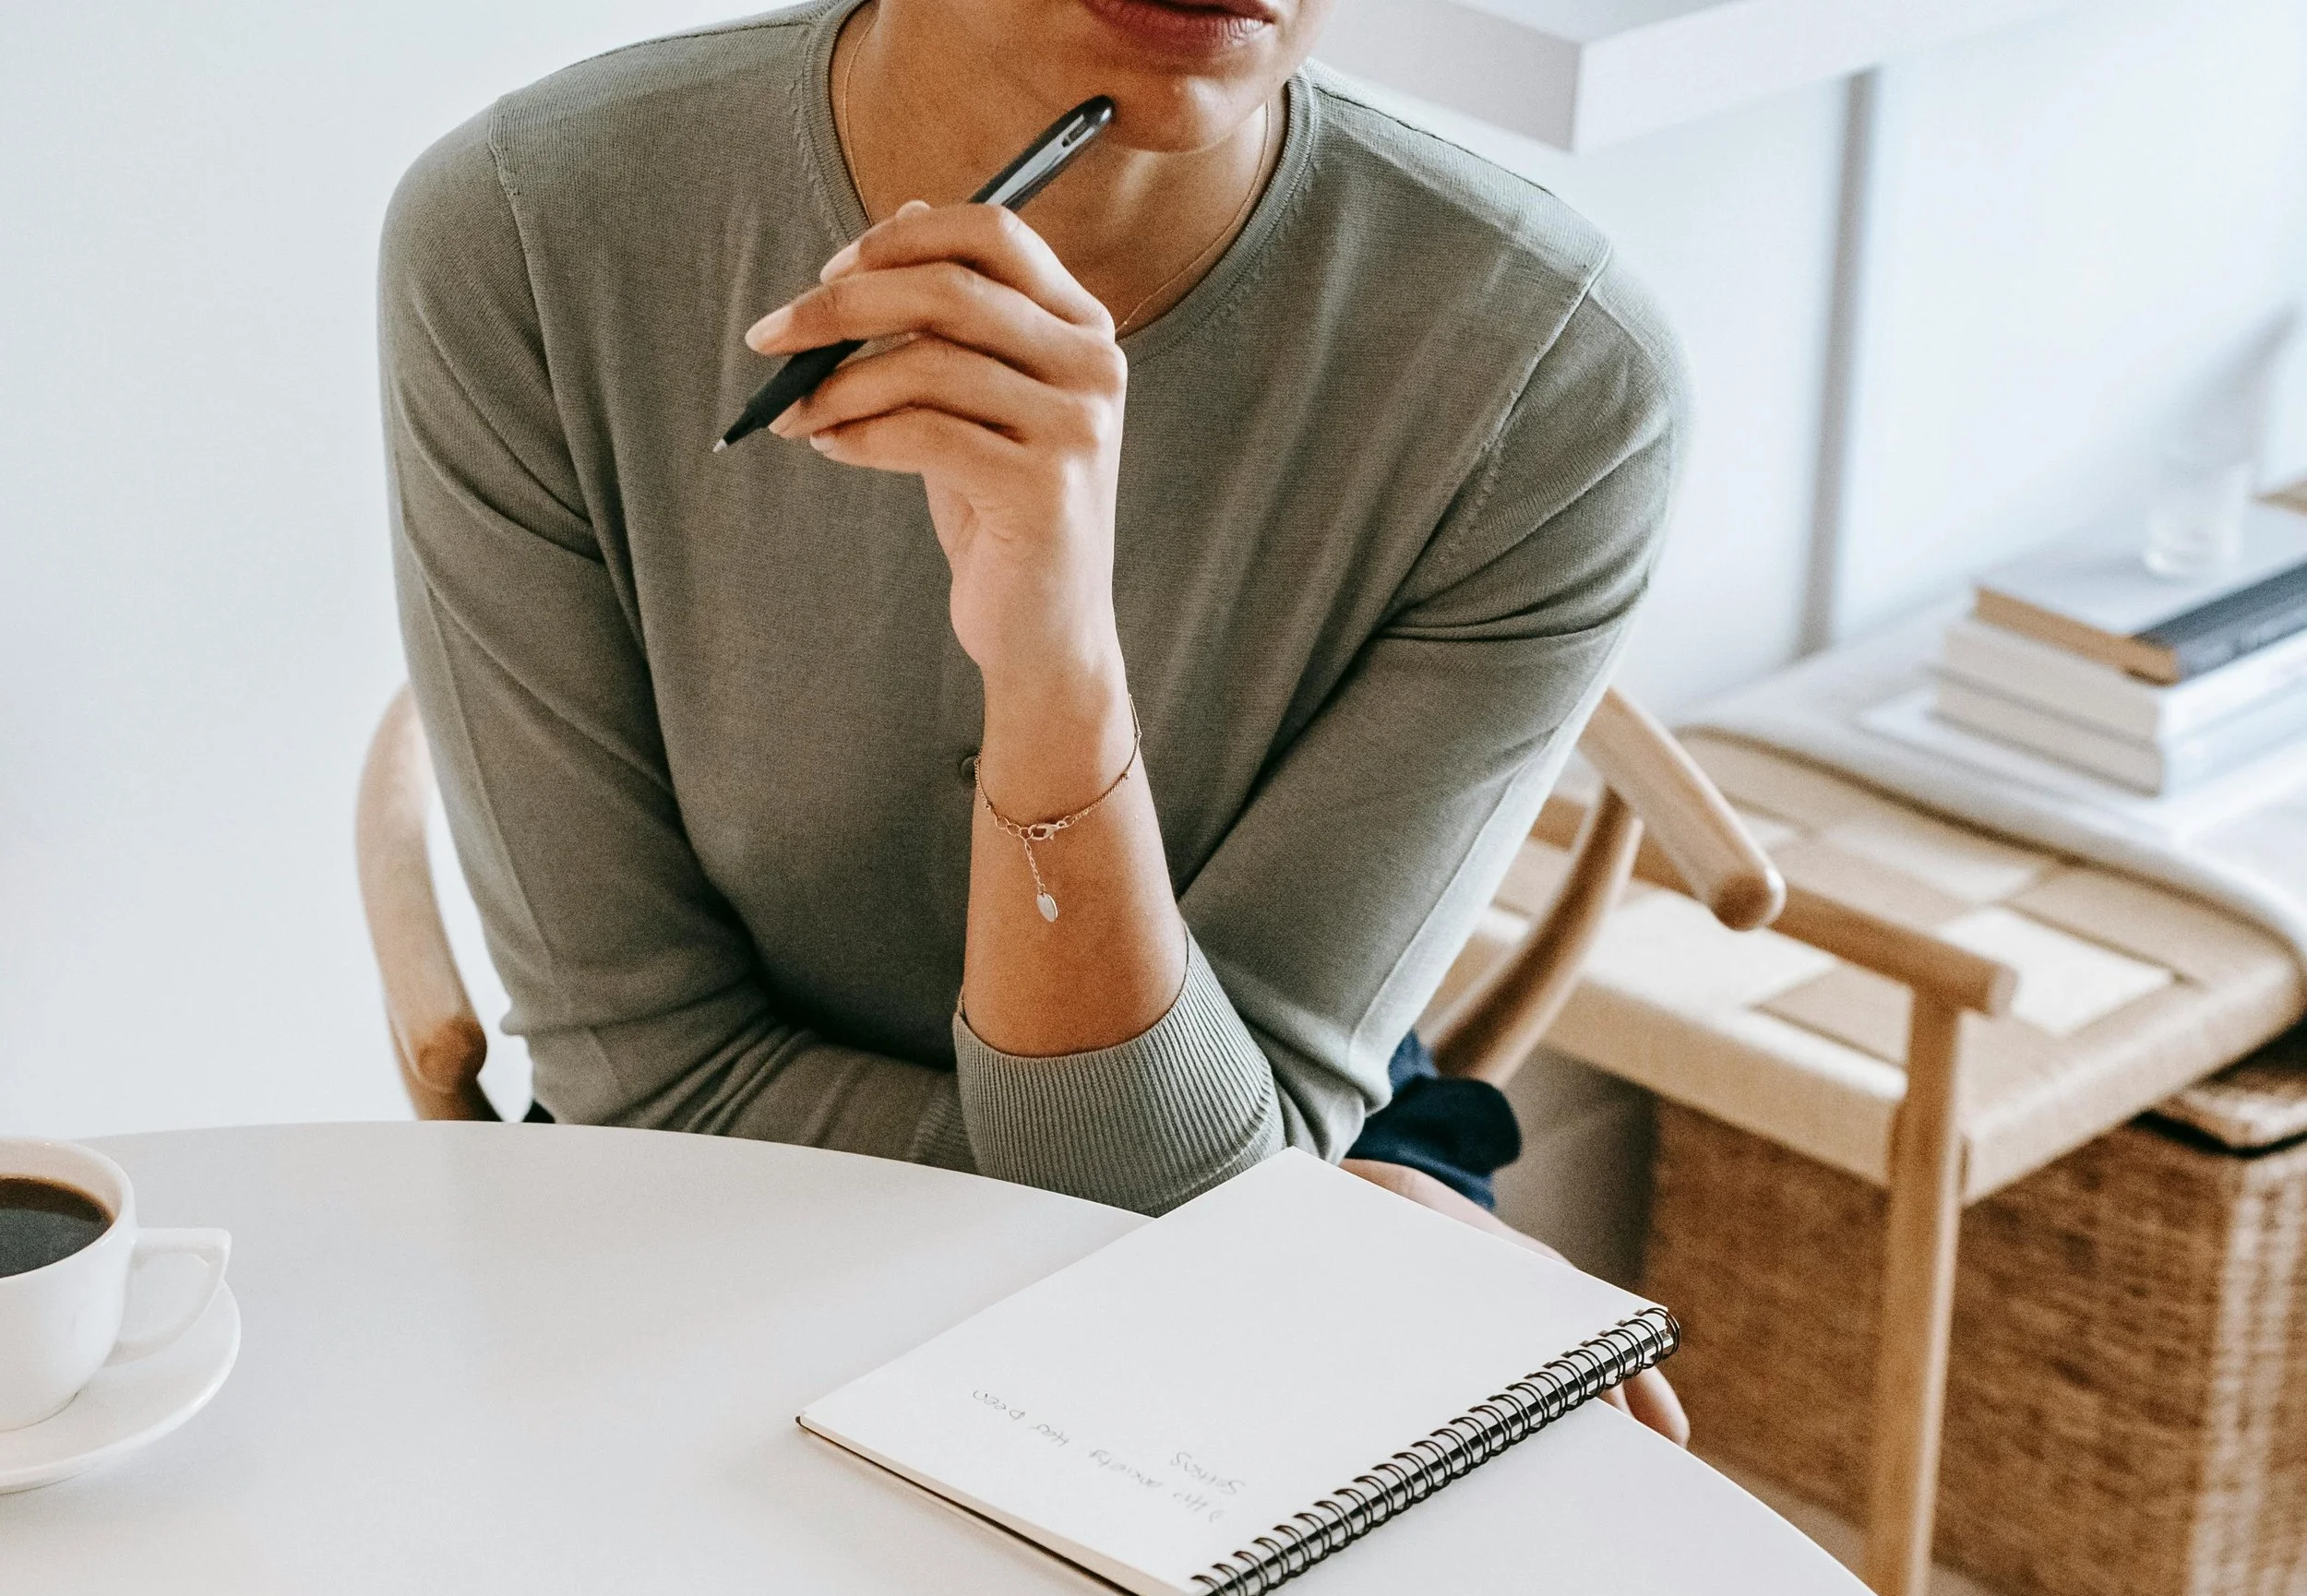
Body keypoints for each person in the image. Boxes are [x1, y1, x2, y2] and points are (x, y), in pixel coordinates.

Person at [381, 0, 1689, 1437]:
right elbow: (649, 1075)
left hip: (1250, 1190)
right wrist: (1272, 1212)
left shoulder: (1554, 380)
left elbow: (1216, 1188)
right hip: (736, 1214)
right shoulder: (529, 232)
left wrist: (1057, 668)